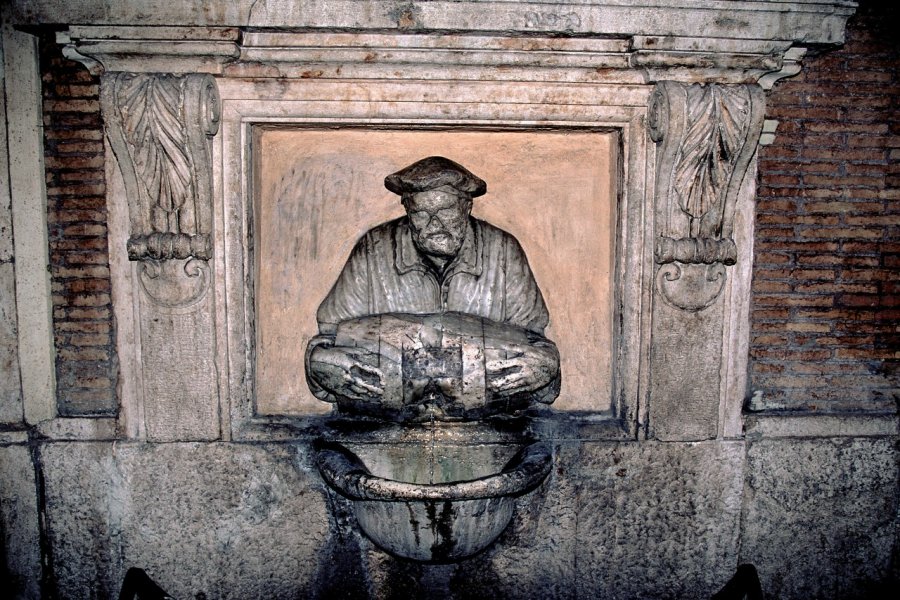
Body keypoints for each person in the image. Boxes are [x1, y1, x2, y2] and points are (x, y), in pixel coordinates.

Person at [306, 156, 559, 414]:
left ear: (466, 207)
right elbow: (329, 338)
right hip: (385, 427)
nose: (435, 224)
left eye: (446, 210)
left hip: (494, 424)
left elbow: (536, 342)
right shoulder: (374, 249)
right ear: (407, 211)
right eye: (421, 213)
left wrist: (545, 367)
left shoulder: (502, 250)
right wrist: (320, 364)